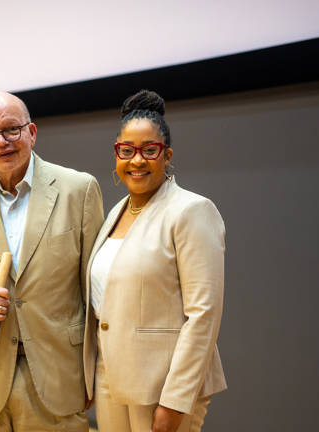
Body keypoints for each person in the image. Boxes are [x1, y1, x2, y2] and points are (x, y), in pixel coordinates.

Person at [0, 91, 104, 431]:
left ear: (32, 132)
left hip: (59, 377)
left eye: (11, 130)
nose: (1, 142)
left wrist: (96, 371)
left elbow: (96, 289)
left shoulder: (79, 190)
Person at [82, 89, 227, 432]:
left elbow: (203, 314)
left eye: (149, 150)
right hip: (111, 376)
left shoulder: (191, 211)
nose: (136, 160)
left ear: (167, 155)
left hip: (162, 385)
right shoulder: (116, 212)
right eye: (127, 151)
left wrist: (175, 401)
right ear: (116, 154)